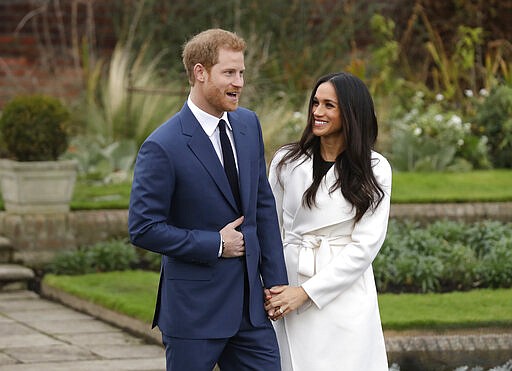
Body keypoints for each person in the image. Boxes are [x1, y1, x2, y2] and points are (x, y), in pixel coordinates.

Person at [128, 28, 288, 371]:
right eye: (229, 73)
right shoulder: (163, 146)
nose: (239, 82)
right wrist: (215, 244)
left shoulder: (248, 125)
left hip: (250, 314)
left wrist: (275, 281)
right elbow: (143, 228)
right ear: (200, 73)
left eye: (241, 72)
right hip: (193, 315)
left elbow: (262, 205)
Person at [265, 72, 392, 371]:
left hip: (342, 294)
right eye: (315, 103)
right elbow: (268, 226)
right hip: (288, 282)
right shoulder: (287, 161)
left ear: (350, 113)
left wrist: (307, 293)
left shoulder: (375, 169)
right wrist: (271, 284)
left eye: (329, 105)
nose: (317, 112)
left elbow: (365, 247)